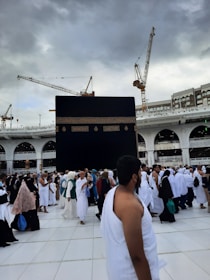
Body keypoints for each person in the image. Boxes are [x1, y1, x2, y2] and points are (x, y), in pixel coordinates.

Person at [101, 155, 160, 280]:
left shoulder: (114, 192)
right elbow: (137, 256)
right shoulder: (129, 205)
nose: (141, 174)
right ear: (134, 177)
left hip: (118, 266)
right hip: (132, 274)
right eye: (139, 172)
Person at [0, 174, 18, 247]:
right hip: (1, 206)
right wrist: (5, 193)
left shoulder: (3, 184)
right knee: (2, 222)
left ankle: (9, 237)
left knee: (7, 222)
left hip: (4, 205)